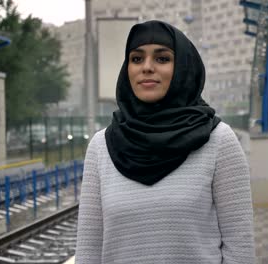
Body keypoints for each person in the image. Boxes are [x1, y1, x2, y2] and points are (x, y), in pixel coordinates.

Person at [75, 20, 255, 264]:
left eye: (162, 59)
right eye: (136, 59)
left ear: (183, 67)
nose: (146, 67)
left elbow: (240, 249)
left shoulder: (218, 141)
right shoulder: (101, 147)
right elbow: (88, 251)